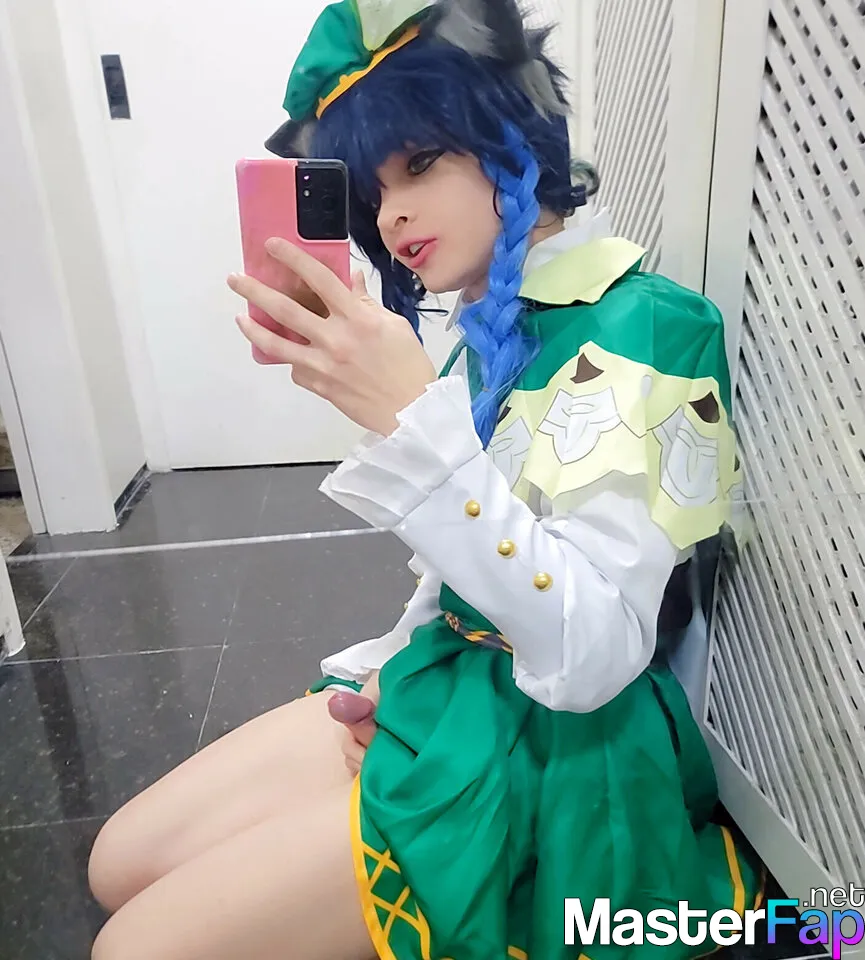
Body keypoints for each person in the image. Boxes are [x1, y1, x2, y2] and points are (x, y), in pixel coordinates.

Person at [87, 1, 763, 957]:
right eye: (371, 189)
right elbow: (452, 577)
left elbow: (595, 652)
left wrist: (415, 423)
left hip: (555, 739)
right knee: (116, 862)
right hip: (454, 677)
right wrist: (390, 664)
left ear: (510, 137)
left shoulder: (642, 326)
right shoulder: (490, 328)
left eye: (419, 163)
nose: (388, 214)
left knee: (133, 948)